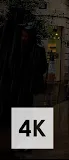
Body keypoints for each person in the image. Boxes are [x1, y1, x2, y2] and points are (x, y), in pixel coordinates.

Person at [0, 13, 47, 155]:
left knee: (26, 114)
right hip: (13, 87)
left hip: (26, 88)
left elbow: (42, 68)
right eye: (22, 35)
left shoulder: (38, 50)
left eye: (26, 35)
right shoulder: (14, 49)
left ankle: (26, 145)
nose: (23, 38)